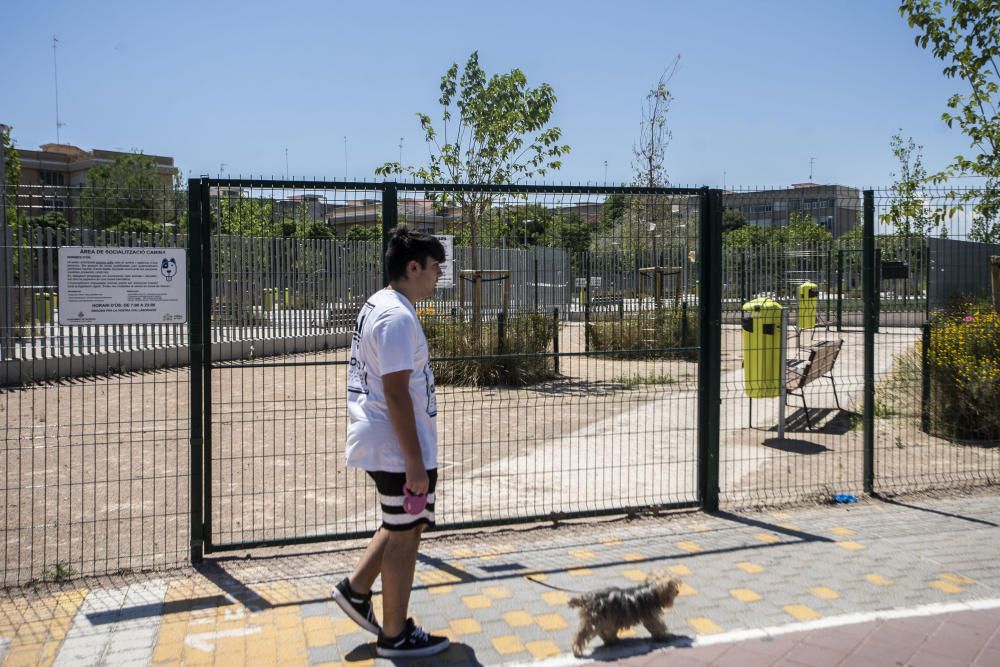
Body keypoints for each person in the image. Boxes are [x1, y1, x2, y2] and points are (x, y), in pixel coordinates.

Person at [332, 226, 449, 658]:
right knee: (406, 537)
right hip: (398, 447)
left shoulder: (379, 303)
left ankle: (356, 589)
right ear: (412, 267)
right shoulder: (397, 316)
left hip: (385, 440)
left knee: (400, 523)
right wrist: (416, 463)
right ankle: (395, 637)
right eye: (435, 267)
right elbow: (397, 392)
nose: (439, 275)